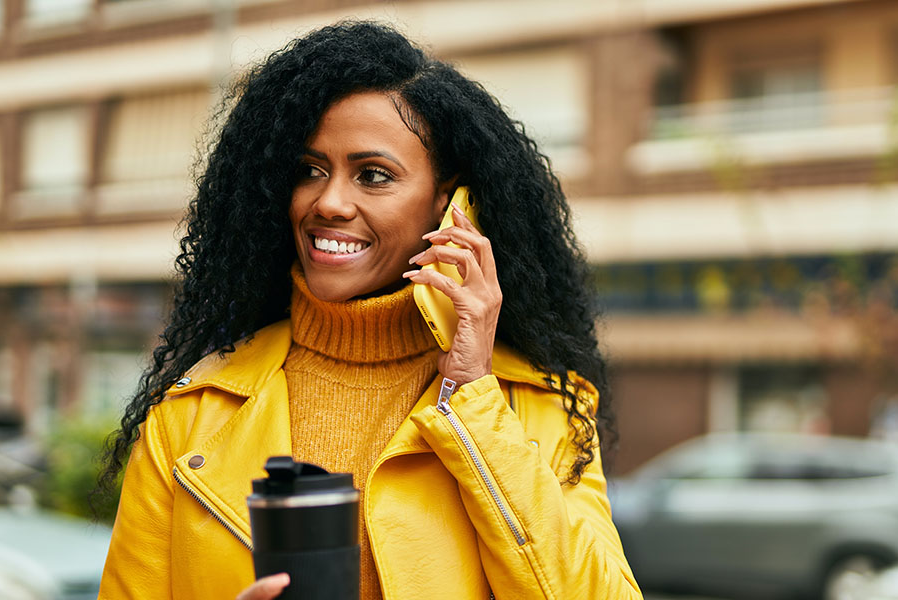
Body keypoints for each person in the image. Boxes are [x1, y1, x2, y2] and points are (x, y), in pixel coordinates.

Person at [97, 20, 642, 600]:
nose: (328, 202)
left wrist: (473, 402)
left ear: (451, 203)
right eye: (309, 170)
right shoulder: (189, 417)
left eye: (374, 176)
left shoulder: (539, 409)